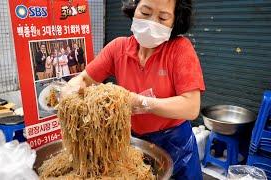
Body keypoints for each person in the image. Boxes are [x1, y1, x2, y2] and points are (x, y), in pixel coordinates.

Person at [67, 0, 205, 179]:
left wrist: (140, 102)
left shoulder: (180, 49)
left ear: (175, 21)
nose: (152, 23)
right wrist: (70, 90)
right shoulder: (118, 48)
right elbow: (84, 79)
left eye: (163, 18)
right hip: (132, 140)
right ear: (134, 10)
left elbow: (191, 107)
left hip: (175, 143)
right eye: (145, 13)